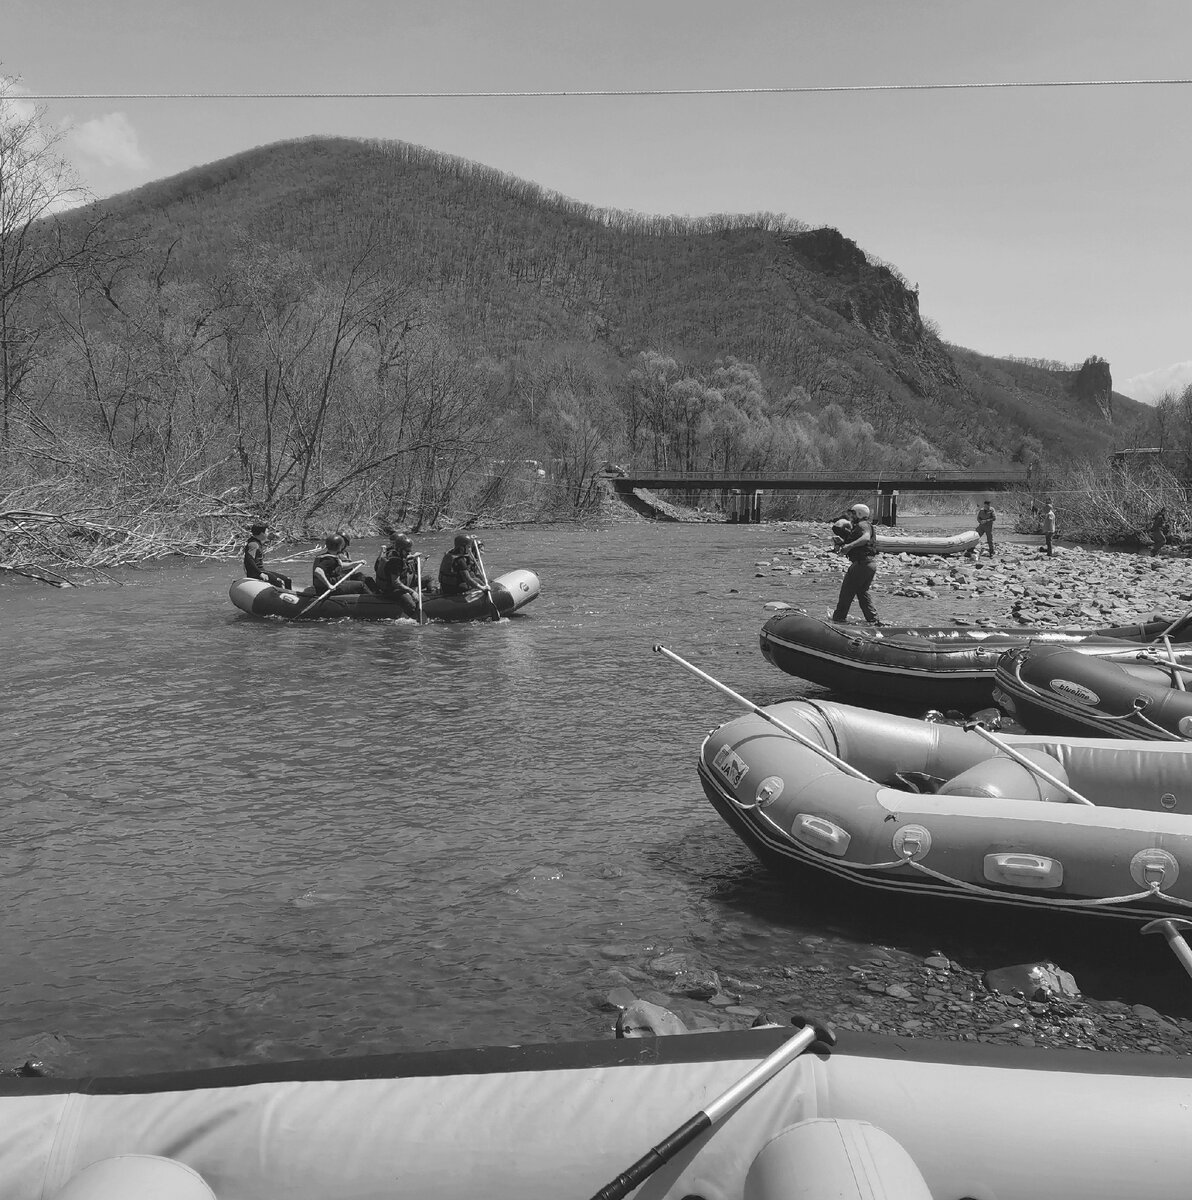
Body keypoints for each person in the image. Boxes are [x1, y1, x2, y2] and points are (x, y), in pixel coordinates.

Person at [831, 502, 882, 626]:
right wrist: (842, 543)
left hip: (861, 564)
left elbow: (865, 538)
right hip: (868, 564)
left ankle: (838, 621)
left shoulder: (863, 525)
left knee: (846, 593)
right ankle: (873, 621)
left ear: (859, 514)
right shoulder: (859, 526)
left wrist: (848, 546)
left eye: (853, 513)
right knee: (862, 593)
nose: (851, 516)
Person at [374, 531, 423, 616]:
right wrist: (412, 592)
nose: (409, 553)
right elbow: (396, 582)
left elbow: (406, 558)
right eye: (407, 551)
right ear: (400, 549)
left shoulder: (395, 554)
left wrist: (413, 557)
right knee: (411, 604)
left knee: (429, 578)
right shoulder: (395, 561)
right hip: (390, 590)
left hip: (397, 585)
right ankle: (412, 621)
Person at [242, 522, 292, 590]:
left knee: (287, 580)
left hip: (261, 571)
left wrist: (276, 536)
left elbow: (268, 539)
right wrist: (260, 573)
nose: (268, 533)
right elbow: (249, 560)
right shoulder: (253, 544)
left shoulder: (256, 541)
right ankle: (284, 598)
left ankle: (290, 596)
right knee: (280, 582)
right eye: (267, 532)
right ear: (262, 533)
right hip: (256, 573)